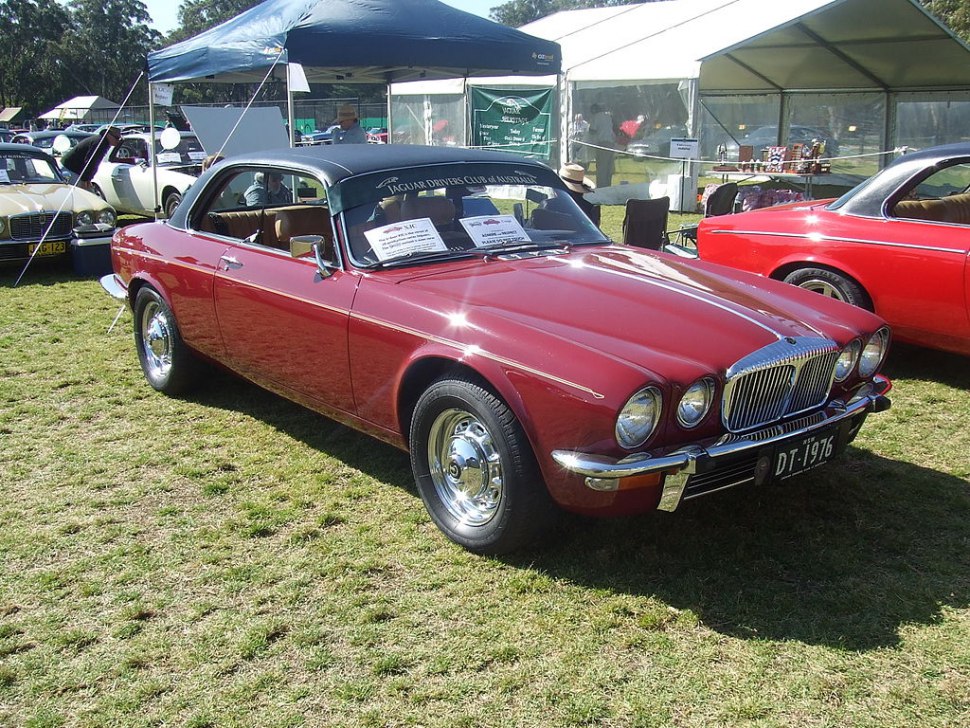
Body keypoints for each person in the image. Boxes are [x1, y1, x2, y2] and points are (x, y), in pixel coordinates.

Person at [60, 126, 122, 191]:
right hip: (70, 169)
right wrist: (85, 180)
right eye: (116, 138)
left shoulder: (104, 142)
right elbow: (91, 162)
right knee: (81, 194)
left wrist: (88, 179)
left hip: (77, 170)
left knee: (87, 193)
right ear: (108, 134)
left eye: (119, 139)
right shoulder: (100, 143)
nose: (118, 141)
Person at [587, 104, 616, 188]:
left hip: (602, 143)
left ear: (593, 111)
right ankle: (608, 185)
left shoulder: (596, 117)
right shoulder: (608, 117)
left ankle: (601, 187)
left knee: (601, 167)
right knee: (609, 167)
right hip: (611, 143)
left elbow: (592, 130)